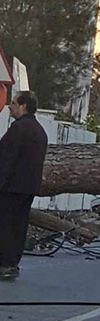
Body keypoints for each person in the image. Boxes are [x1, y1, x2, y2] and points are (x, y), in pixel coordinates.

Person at [0, 91, 49, 281]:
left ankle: (5, 262)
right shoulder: (39, 131)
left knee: (4, 224)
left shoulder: (18, 129)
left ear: (23, 106)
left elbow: (6, 159)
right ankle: (12, 262)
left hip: (11, 187)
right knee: (19, 225)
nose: (10, 106)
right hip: (28, 188)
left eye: (13, 103)